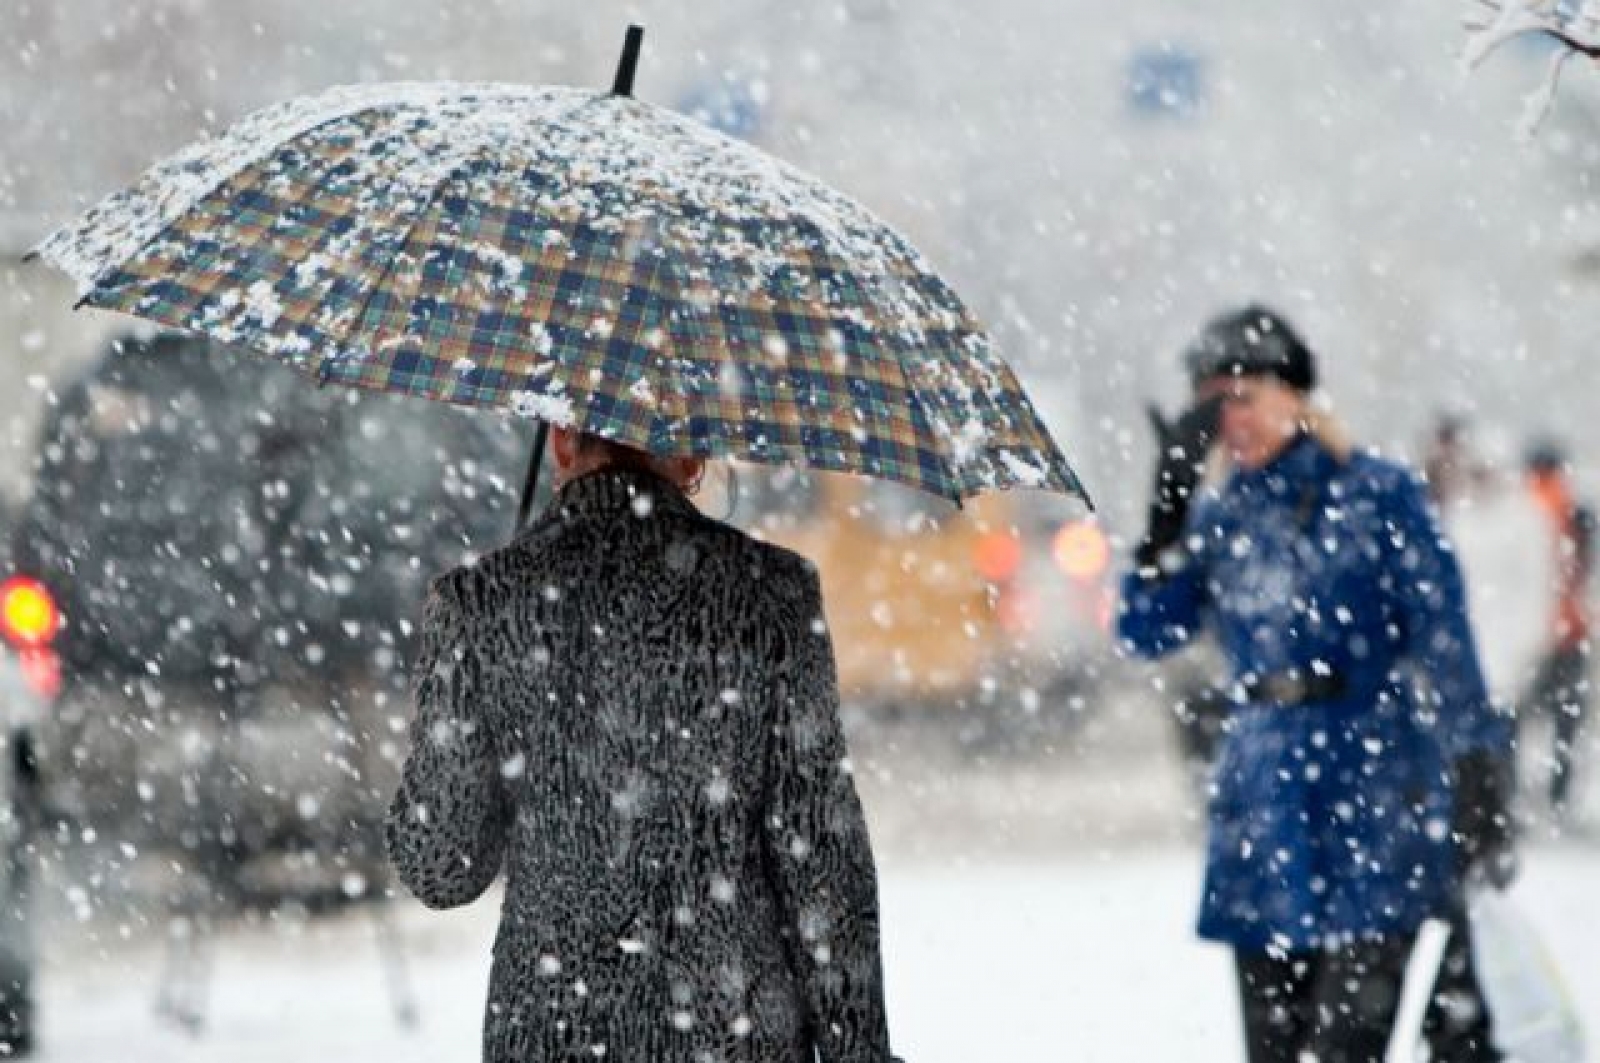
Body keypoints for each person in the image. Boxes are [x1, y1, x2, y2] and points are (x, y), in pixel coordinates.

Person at [386, 427, 897, 1063]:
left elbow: (442, 867)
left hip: (552, 1037)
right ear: (692, 459)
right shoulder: (774, 595)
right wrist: (860, 1053)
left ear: (562, 445)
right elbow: (820, 857)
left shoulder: (477, 604)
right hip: (735, 1035)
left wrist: (476, 674)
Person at [1117, 304, 1516, 1063]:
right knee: (1273, 1048)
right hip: (1263, 797)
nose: (1227, 417)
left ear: (1294, 394)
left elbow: (1444, 634)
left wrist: (1476, 759)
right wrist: (1163, 517)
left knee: (1347, 1044)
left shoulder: (1377, 493)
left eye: (1243, 393)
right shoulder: (1218, 513)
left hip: (1374, 787)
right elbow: (1144, 631)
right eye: (1210, 401)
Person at [1521, 439, 1594, 817]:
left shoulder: (1521, 507)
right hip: (1569, 632)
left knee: (1515, 720)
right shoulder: (1574, 509)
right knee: (1564, 724)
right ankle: (1558, 798)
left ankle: (1507, 799)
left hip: (1525, 638)